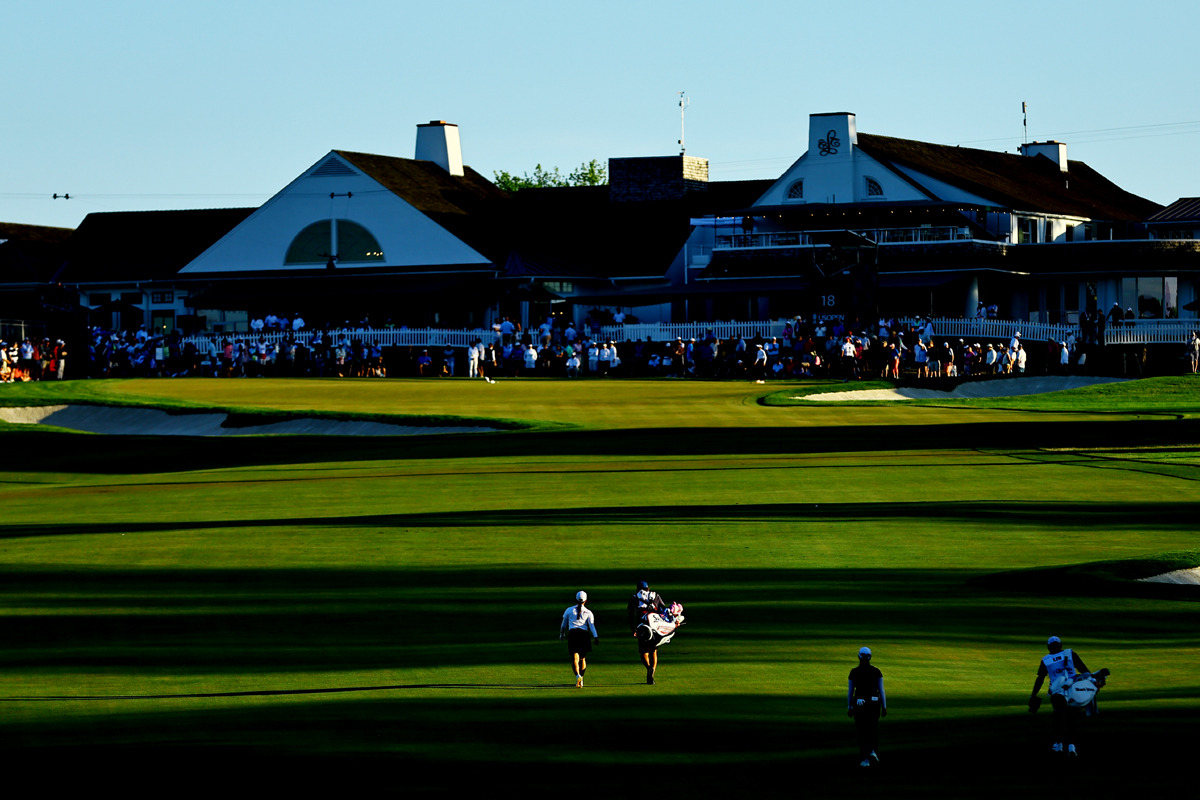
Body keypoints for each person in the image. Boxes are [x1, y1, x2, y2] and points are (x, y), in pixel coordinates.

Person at [1029, 636, 1092, 756]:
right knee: (1071, 718)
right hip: (1073, 689)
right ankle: (1072, 747)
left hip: (1057, 691)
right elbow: (1083, 669)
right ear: (1060, 645)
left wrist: (1033, 695)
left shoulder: (1046, 660)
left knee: (1057, 717)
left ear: (1048, 647)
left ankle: (1058, 745)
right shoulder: (1070, 653)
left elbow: (1040, 678)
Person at [848, 646, 887, 767]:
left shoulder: (854, 672)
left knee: (862, 731)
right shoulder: (876, 672)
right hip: (874, 704)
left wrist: (849, 707)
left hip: (860, 703)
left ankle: (865, 758)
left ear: (858, 656)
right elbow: (881, 690)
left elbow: (850, 692)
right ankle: (873, 751)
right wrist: (884, 707)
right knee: (872, 729)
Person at [627, 580, 667, 685]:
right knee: (654, 650)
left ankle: (649, 668)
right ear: (648, 588)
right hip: (655, 627)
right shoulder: (655, 596)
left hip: (642, 627)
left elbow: (630, 615)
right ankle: (652, 673)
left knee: (644, 652)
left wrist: (633, 629)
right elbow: (664, 610)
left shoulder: (635, 597)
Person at [559, 591, 599, 688]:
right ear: (586, 600)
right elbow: (592, 626)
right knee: (583, 658)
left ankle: (577, 676)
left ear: (576, 599)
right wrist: (596, 637)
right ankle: (582, 677)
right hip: (584, 635)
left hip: (573, 635)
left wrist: (562, 634)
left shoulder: (569, 610)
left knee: (575, 659)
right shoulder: (589, 612)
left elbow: (563, 625)